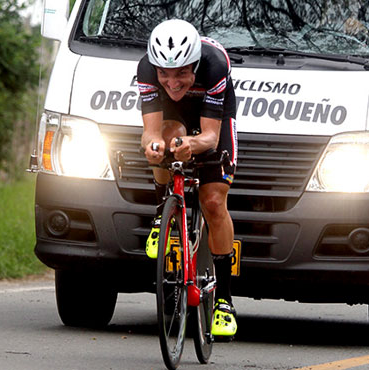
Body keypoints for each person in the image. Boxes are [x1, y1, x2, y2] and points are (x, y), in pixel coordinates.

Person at [137, 19, 238, 339]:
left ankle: (224, 302)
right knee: (162, 144)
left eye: (181, 72)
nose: (172, 81)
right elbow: (149, 133)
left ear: (194, 62)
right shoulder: (147, 70)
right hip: (173, 114)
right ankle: (161, 217)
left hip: (212, 114)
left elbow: (209, 136)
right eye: (164, 73)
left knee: (212, 200)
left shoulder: (214, 66)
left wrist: (191, 146)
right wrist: (155, 148)